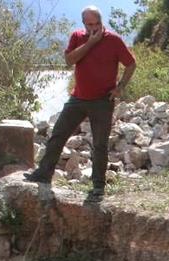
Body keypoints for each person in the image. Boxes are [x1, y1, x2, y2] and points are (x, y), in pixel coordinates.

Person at [24, 5, 136, 202]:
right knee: (57, 135)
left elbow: (131, 64)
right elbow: (69, 60)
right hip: (78, 99)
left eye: (96, 24)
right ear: (84, 24)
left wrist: (120, 87)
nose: (93, 28)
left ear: (102, 22)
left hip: (102, 101)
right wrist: (91, 43)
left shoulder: (114, 40)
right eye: (89, 24)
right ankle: (44, 173)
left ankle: (98, 186)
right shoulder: (77, 37)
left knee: (100, 145)